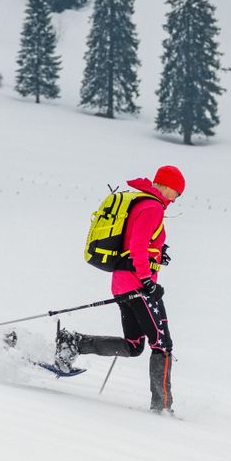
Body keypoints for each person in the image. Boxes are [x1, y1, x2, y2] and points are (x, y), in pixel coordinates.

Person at [54, 165, 184, 414]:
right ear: (167, 186)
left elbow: (138, 240)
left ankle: (73, 343)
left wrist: (158, 253)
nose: (176, 197)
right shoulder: (153, 207)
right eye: (177, 192)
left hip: (124, 283)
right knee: (162, 344)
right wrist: (147, 280)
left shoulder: (141, 202)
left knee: (135, 345)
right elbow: (136, 245)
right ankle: (162, 408)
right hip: (138, 285)